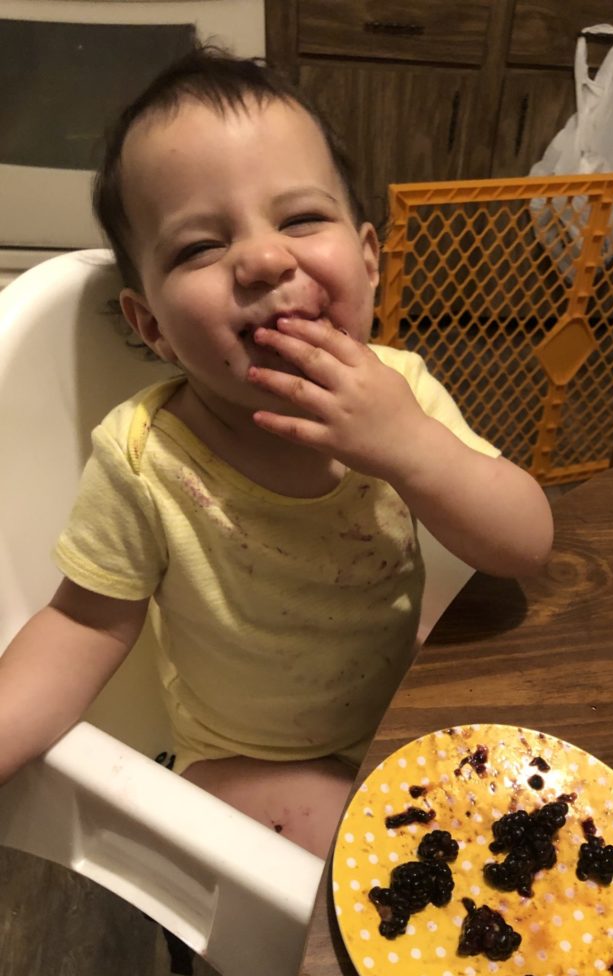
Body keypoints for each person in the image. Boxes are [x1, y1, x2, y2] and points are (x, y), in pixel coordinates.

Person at [0, 46, 553, 858]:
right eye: (198, 248)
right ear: (151, 326)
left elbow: (525, 542)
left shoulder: (401, 392)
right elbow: (81, 627)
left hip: (394, 712)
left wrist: (410, 448)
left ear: (368, 261)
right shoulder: (147, 458)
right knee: (400, 855)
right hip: (240, 765)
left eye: (299, 219)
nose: (264, 259)